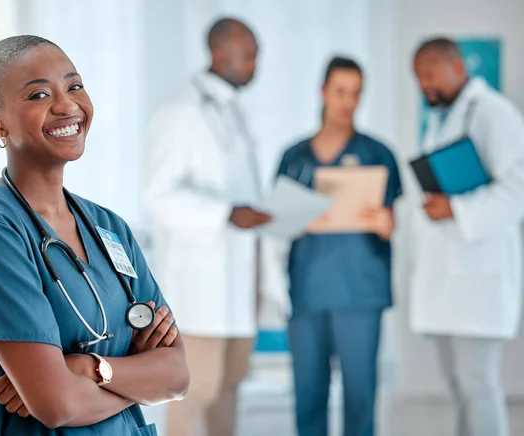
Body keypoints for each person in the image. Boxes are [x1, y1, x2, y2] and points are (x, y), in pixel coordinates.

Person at [0, 35, 189, 435]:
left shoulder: (108, 227)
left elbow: (177, 376)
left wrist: (85, 367)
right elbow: (57, 406)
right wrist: (136, 377)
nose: (66, 105)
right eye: (39, 94)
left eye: (74, 86)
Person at [143, 17, 271, 436]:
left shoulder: (230, 108)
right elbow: (158, 195)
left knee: (230, 387)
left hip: (239, 278)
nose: (256, 63)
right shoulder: (181, 109)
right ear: (219, 53)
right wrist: (226, 214)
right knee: (195, 390)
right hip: (202, 287)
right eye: (249, 54)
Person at [275, 57, 402, 436]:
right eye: (341, 92)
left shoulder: (379, 154)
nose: (348, 101)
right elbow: (275, 224)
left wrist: (385, 223)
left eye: (356, 93)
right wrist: (298, 220)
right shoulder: (294, 157)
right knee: (309, 396)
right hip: (308, 291)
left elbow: (390, 219)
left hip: (360, 292)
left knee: (361, 396)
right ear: (324, 92)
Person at [410, 37, 524, 436]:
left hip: (480, 280)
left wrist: (457, 209)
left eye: (429, 74)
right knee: (461, 387)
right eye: (418, 78)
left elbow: (518, 191)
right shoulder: (445, 117)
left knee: (478, 386)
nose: (424, 85)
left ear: (456, 66)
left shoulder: (495, 114)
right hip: (451, 280)